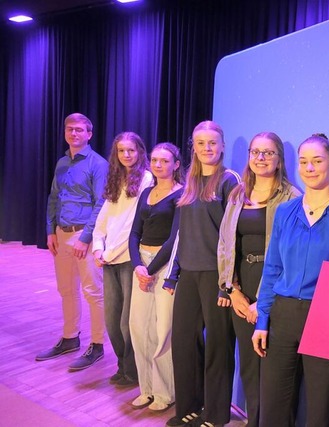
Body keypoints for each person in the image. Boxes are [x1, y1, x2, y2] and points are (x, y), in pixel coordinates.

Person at [252, 133, 329, 427]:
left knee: (322, 405)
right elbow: (273, 268)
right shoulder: (285, 211)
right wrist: (263, 320)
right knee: (274, 403)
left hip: (326, 316)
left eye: (317, 161)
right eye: (303, 162)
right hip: (283, 314)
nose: (309, 168)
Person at [217, 132, 301, 426]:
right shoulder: (237, 194)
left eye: (268, 153)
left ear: (279, 160)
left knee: (277, 370)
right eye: (255, 152)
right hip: (243, 288)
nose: (261, 158)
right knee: (250, 368)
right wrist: (232, 290)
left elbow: (293, 256)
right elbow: (225, 245)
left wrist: (263, 304)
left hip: (277, 289)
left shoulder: (292, 197)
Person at [164, 121, 240, 427]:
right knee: (183, 343)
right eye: (200, 143)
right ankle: (189, 407)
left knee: (218, 346)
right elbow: (182, 234)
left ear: (222, 145)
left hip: (216, 277)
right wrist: (173, 274)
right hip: (189, 274)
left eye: (212, 142)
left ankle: (217, 414)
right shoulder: (189, 182)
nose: (207, 148)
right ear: (193, 147)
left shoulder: (230, 181)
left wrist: (227, 285)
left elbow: (233, 235)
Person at [37, 113, 109, 371]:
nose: (74, 133)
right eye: (70, 129)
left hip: (84, 236)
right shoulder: (61, 163)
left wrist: (86, 237)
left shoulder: (98, 164)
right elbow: (54, 197)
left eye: (79, 130)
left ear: (89, 134)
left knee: (92, 292)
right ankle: (70, 338)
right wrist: (50, 230)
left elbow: (102, 202)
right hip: (61, 232)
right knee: (66, 290)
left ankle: (98, 345)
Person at [92, 131, 154, 386]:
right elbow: (103, 220)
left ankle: (133, 371)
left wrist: (107, 253)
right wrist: (97, 247)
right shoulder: (116, 178)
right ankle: (122, 365)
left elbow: (132, 227)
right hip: (109, 259)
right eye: (121, 151)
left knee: (128, 322)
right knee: (112, 320)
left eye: (131, 150)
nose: (126, 155)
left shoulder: (146, 179)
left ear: (140, 152)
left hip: (130, 259)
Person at [128, 143, 184, 411]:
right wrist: (138, 266)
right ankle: (146, 388)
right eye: (154, 160)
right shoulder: (146, 193)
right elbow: (134, 233)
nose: (158, 164)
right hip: (142, 265)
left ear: (176, 164)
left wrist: (150, 271)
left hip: (164, 266)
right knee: (139, 328)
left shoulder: (181, 195)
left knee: (163, 331)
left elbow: (174, 239)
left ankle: (164, 393)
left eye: (164, 160)